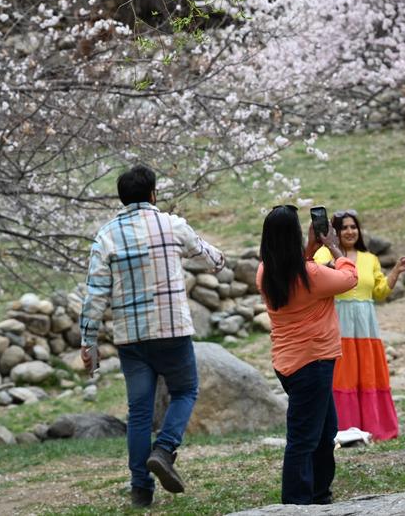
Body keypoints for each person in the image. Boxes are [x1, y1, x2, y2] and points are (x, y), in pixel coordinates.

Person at [80, 165, 225, 507]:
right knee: (185, 390)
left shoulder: (106, 237)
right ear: (153, 194)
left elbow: (95, 294)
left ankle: (140, 489)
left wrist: (88, 343)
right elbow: (210, 259)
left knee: (139, 412)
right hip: (172, 330)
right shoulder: (171, 224)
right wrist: (219, 259)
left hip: (131, 338)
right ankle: (164, 449)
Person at [256, 205, 358, 505]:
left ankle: (319, 495)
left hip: (289, 362)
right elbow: (349, 278)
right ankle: (296, 504)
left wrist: (311, 250)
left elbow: (296, 269)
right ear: (295, 236)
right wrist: (334, 247)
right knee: (303, 440)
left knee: (325, 432)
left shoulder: (265, 271)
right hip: (313, 363)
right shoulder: (311, 275)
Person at [312, 210, 405, 440]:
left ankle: (375, 426)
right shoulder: (323, 254)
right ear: (334, 232)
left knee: (368, 372)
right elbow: (316, 278)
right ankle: (342, 427)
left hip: (366, 325)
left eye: (353, 227)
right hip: (337, 321)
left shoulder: (369, 259)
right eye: (344, 227)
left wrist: (395, 271)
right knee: (341, 374)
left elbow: (380, 292)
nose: (349, 231)